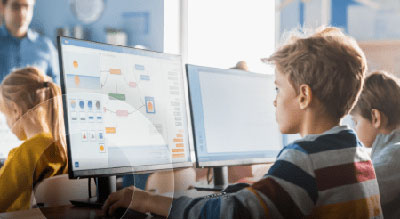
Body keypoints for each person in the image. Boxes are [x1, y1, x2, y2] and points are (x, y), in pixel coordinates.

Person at [102, 27, 383, 218]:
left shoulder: (303, 159)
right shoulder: (354, 151)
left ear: (303, 95)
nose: (274, 100)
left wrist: (146, 200)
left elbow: (230, 213)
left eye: (278, 88)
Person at [0, 67, 67, 212]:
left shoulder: (29, 152)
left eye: (4, 114)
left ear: (15, 110)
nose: (5, 122)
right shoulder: (60, 146)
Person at [350, 71, 400, 218]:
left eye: (356, 122)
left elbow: (357, 195)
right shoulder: (388, 151)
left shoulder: (394, 154)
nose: (354, 129)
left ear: (376, 118)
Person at [0, 0, 59, 84]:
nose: (22, 12)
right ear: (2, 7)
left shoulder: (46, 47)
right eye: (16, 6)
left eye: (26, 6)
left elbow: (56, 90)